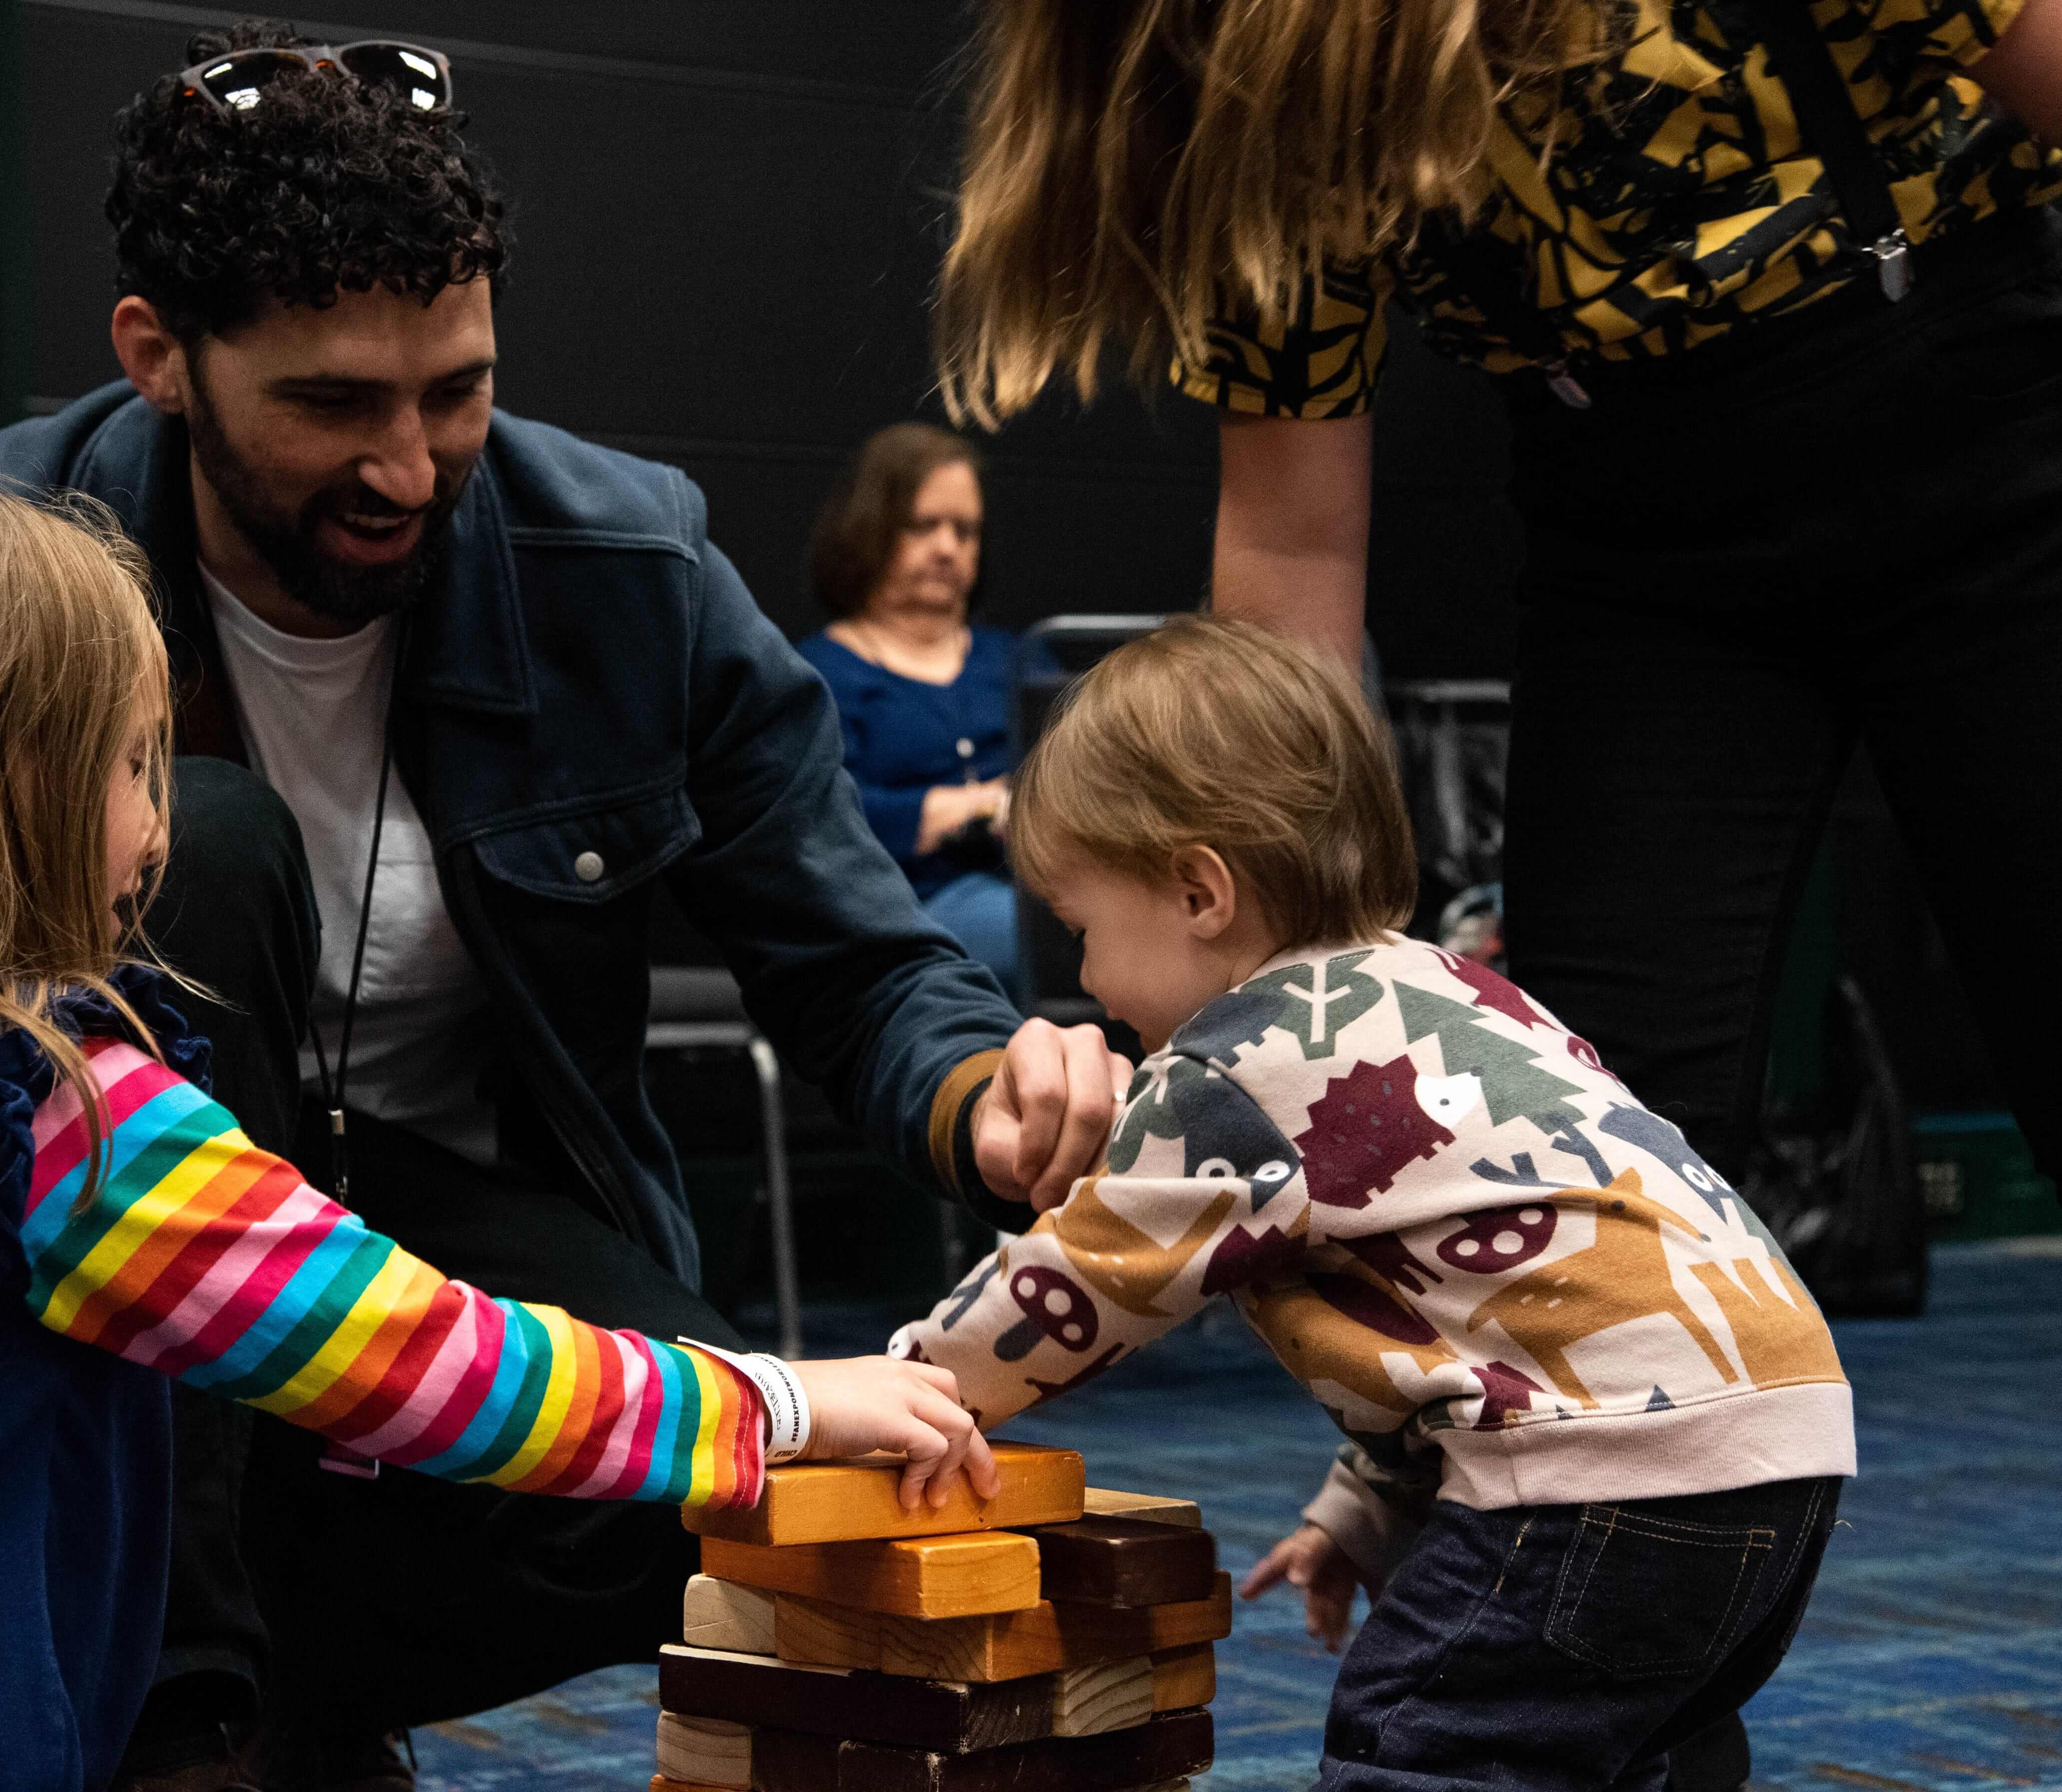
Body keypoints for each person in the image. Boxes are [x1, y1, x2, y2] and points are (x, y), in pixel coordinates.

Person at [0, 24, 1126, 1788]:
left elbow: (857, 952)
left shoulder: (630, 566)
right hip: (108, 1227)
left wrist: (990, 1096)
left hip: (456, 1195)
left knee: (735, 1476)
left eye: (457, 391)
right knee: (211, 839)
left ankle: (287, 1697)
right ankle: (187, 1726)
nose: (412, 467)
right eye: (335, 403)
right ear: (160, 359)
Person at [0, 463, 994, 1792]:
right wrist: (782, 1407)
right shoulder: (65, 1119)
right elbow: (428, 1362)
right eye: (125, 764)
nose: (159, 829)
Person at [932, 0, 2062, 1217]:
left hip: (1983, 429)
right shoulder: (1245, 85)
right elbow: (1290, 536)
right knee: (1593, 1145)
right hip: (1641, 538)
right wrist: (1278, 966)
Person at [895, 615, 1853, 1792]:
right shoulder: (1454, 990)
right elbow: (1487, 1308)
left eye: (1084, 929)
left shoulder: (1233, 1067)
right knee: (1638, 1750)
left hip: (1603, 1474)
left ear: (1198, 890)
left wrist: (910, 1389)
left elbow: (1084, 1281)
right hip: (1778, 1449)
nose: (1085, 978)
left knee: (1424, 1741)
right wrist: (1363, 1508)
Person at [796, 424, 1026, 1004]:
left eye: (966, 531)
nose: (948, 548)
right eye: (924, 526)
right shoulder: (819, 673)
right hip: (905, 913)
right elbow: (819, 822)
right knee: (1044, 937)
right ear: (869, 529)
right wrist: (962, 807)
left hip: (1043, 889)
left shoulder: (1020, 658)